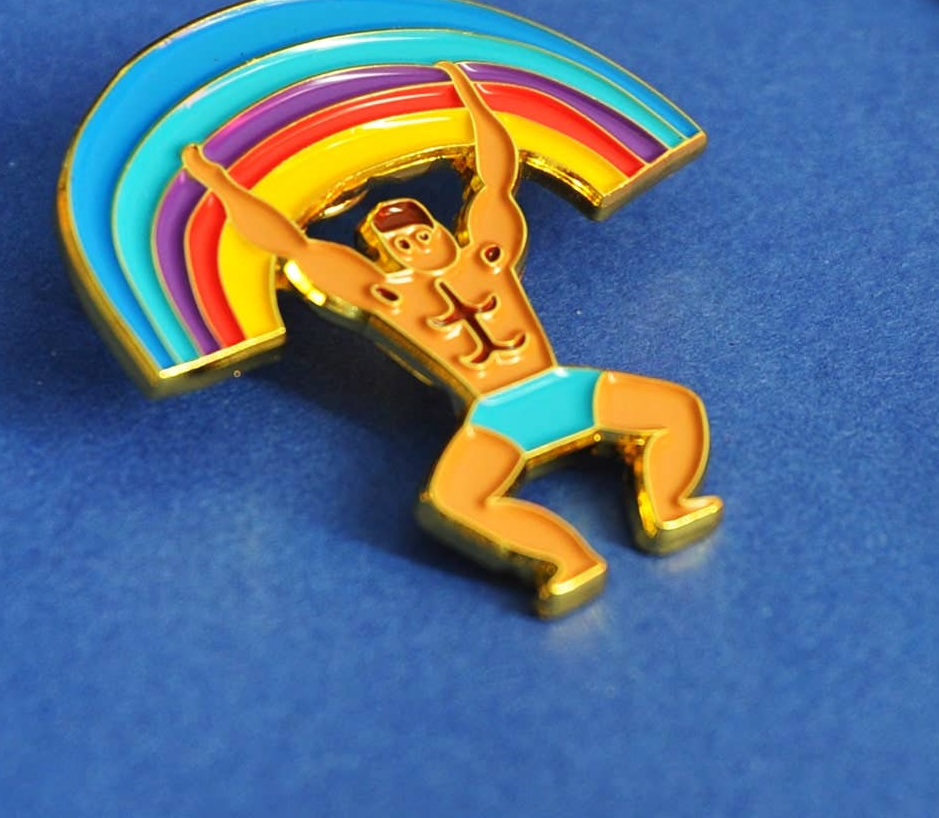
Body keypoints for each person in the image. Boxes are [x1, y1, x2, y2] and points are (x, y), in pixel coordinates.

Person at [181, 63, 720, 614]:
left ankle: (669, 505)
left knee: (676, 410)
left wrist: (473, 101)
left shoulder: (488, 259)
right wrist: (218, 184)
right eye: (399, 244)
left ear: (442, 229)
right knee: (454, 501)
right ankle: (568, 560)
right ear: (383, 259)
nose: (415, 245)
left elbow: (496, 177)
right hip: (495, 419)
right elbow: (290, 246)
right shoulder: (386, 298)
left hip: (561, 388)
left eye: (421, 232)